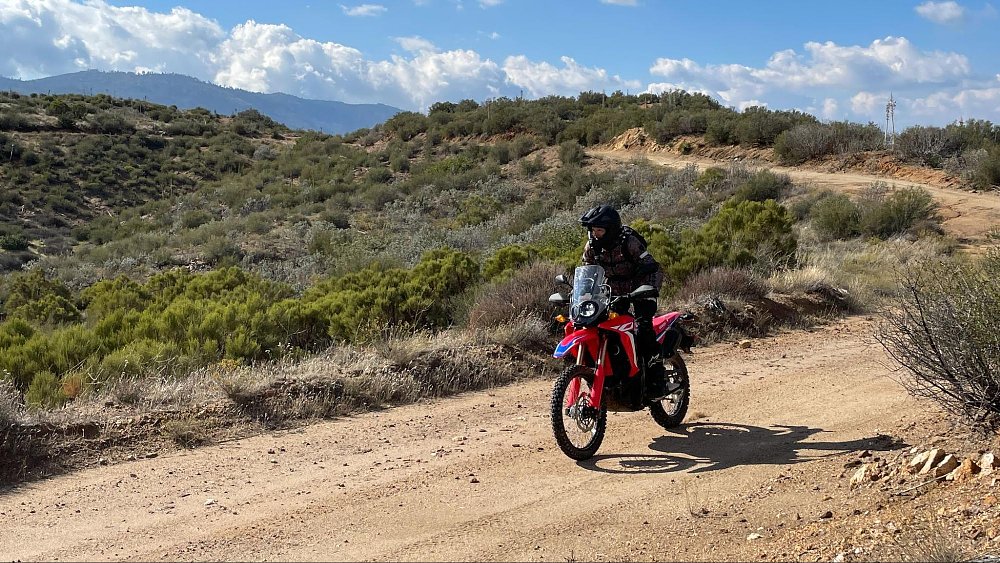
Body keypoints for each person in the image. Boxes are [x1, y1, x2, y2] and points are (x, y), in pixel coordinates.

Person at [579, 204, 668, 396]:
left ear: (610, 229)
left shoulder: (629, 242)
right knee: (601, 326)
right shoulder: (592, 246)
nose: (595, 234)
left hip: (641, 287)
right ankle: (615, 373)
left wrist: (645, 291)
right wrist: (584, 294)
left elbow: (651, 266)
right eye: (593, 230)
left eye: (599, 230)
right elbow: (587, 272)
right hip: (613, 292)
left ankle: (657, 379)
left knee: (643, 328)